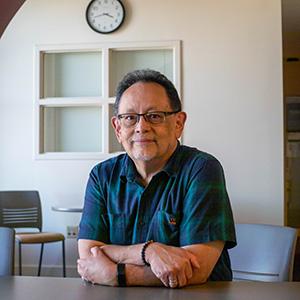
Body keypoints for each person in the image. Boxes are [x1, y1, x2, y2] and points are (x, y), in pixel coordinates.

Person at [77, 69, 236, 288]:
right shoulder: (102, 176)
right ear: (118, 128)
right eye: (130, 118)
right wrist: (148, 252)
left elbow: (197, 269)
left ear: (178, 123)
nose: (141, 127)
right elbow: (89, 258)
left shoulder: (202, 169)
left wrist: (117, 274)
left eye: (154, 116)